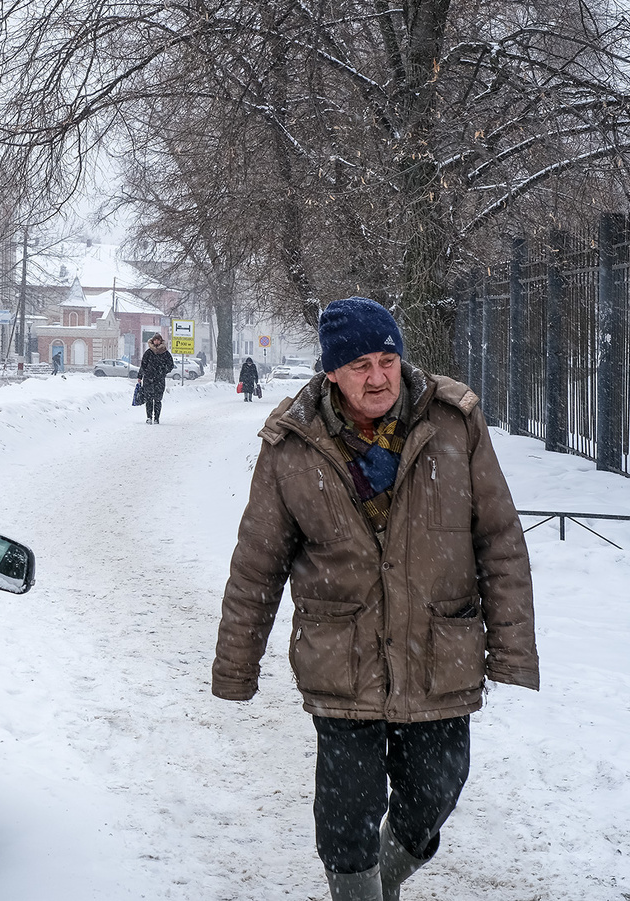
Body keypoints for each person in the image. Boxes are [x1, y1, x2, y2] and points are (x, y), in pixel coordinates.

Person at [211, 297, 538, 901]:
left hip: (441, 651)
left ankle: (380, 884)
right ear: (331, 371)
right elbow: (257, 564)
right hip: (343, 655)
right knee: (346, 813)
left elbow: (499, 539)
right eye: (360, 364)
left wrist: (513, 651)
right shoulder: (292, 443)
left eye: (388, 358)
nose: (378, 376)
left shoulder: (452, 422)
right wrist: (236, 664)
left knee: (432, 798)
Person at [137, 333, 174, 424]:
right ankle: (149, 417)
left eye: (158, 340)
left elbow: (171, 365)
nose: (156, 341)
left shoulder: (165, 353)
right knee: (149, 400)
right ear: (153, 341)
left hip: (159, 380)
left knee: (157, 400)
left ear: (161, 341)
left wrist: (163, 371)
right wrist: (140, 376)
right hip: (148, 379)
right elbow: (143, 365)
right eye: (155, 340)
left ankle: (157, 418)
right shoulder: (148, 353)